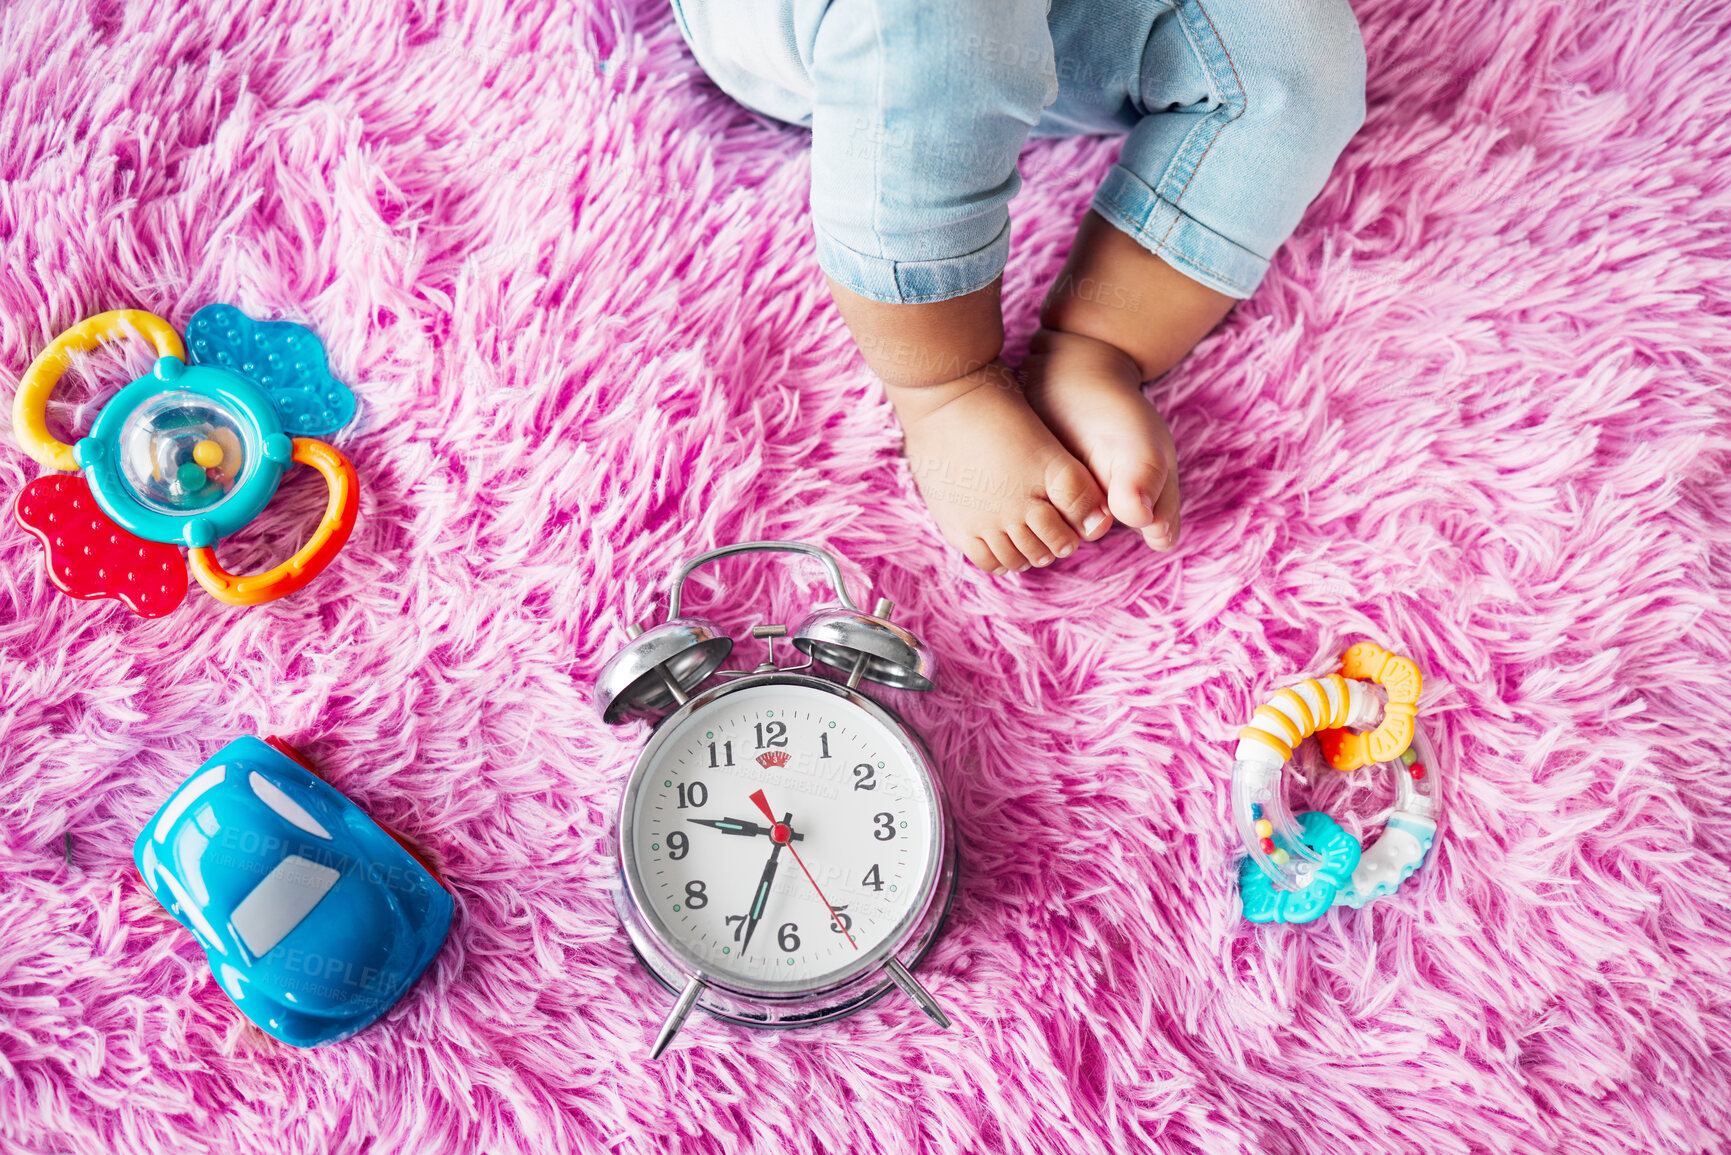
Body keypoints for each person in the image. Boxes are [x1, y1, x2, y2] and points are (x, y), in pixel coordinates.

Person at [671, 0, 1367, 573]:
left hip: (1066, 29)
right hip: (844, 34)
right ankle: (944, 387)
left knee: (1293, 56)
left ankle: (1097, 343)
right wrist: (944, 386)